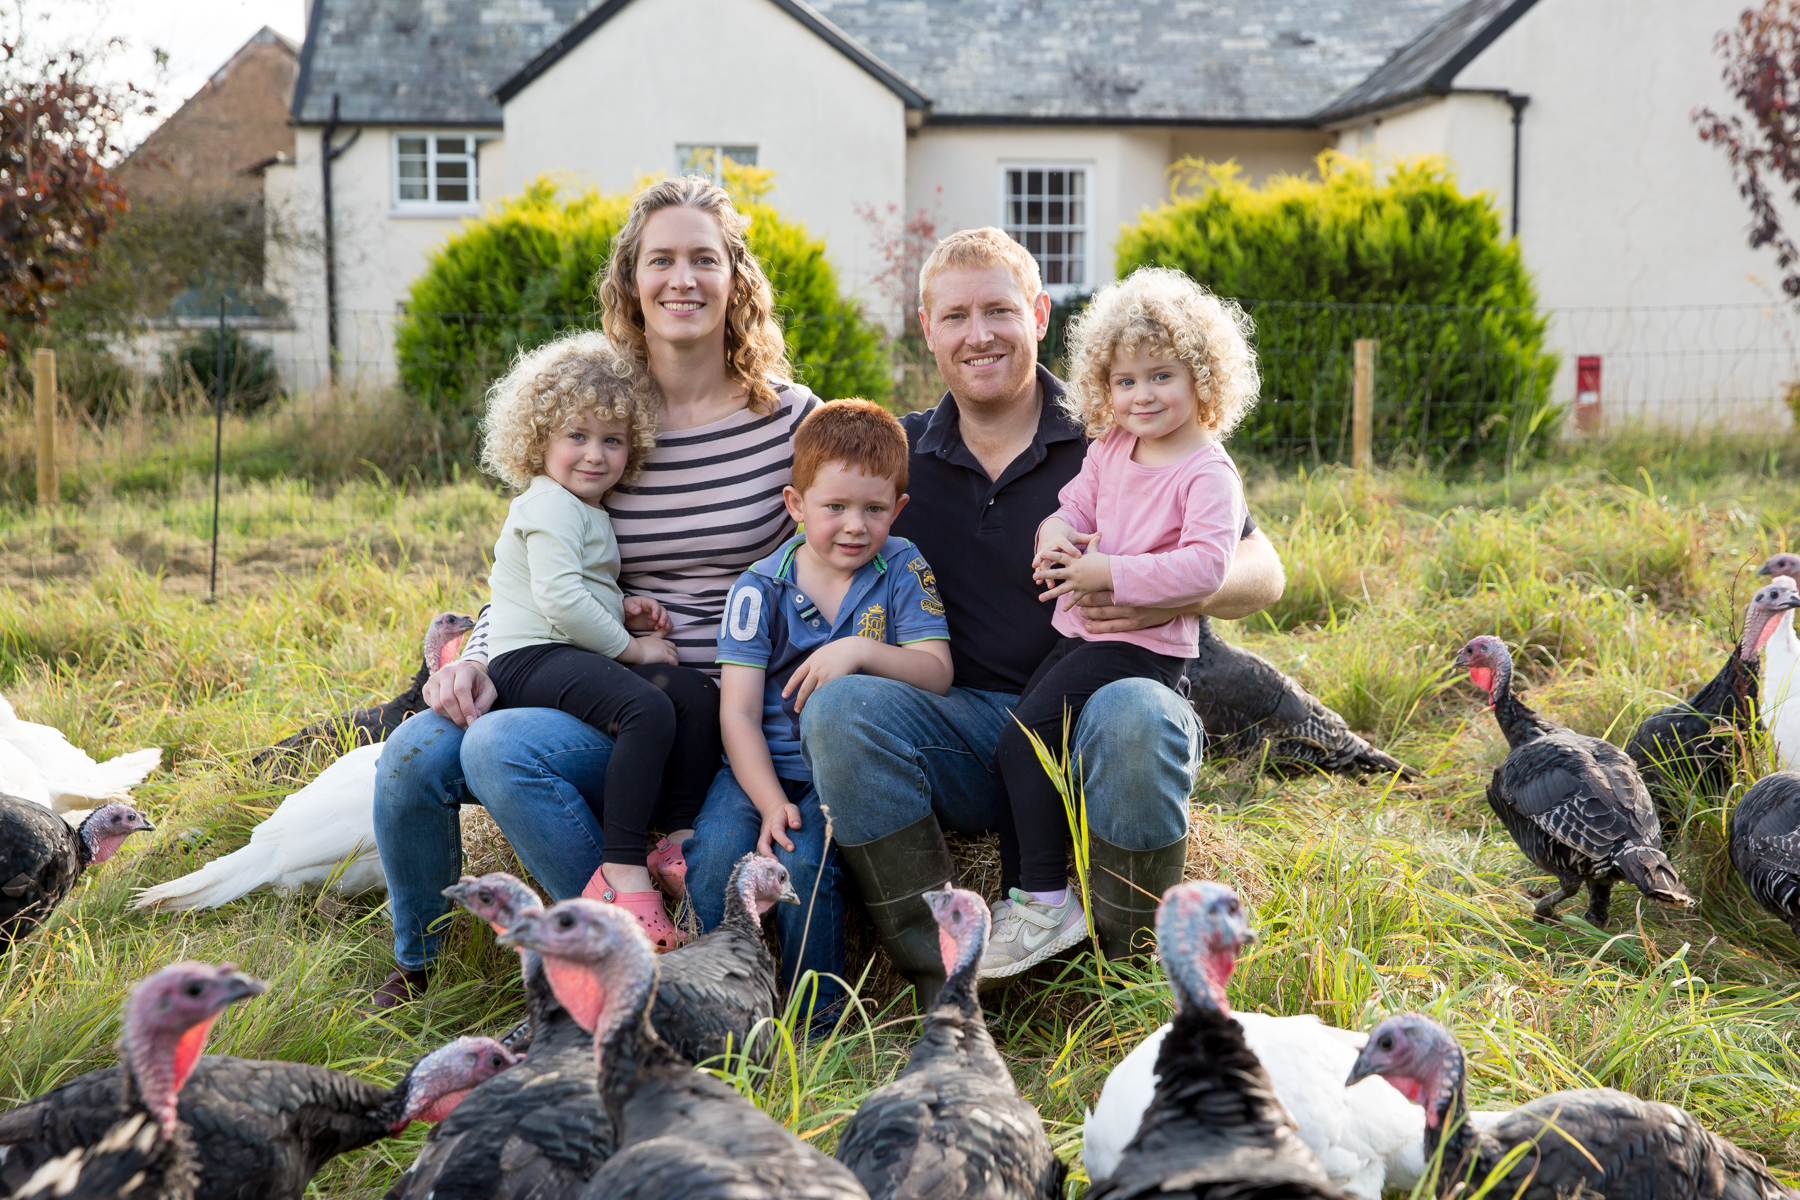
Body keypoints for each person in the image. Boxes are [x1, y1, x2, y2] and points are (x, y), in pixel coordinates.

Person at [796, 229, 1286, 1004]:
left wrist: (1147, 588)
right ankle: (952, 984)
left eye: (998, 310)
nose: (978, 334)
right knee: (840, 710)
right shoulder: (900, 453)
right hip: (963, 727)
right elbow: (811, 537)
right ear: (927, 329)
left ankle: (1130, 991)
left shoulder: (1122, 423)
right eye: (955, 316)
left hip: (1106, 716)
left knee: (1138, 715)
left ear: (1039, 314)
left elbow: (1264, 572)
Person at [367, 175, 818, 1008]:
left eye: (704, 259)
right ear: (630, 281)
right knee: (418, 754)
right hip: (601, 689)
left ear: (737, 279)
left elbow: (835, 554)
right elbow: (534, 564)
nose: (682, 279)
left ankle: (656, 967)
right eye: (660, 260)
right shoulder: (603, 414)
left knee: (714, 873)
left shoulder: (788, 421)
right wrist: (479, 654)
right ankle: (436, 963)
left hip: (723, 711)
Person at [984, 268, 1255, 978]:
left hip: (1144, 649)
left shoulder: (1208, 472)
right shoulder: (1110, 449)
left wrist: (1110, 571)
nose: (1143, 396)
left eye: (1162, 376)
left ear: (1202, 378)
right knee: (1016, 745)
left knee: (1026, 743)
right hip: (1085, 634)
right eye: (1126, 381)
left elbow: (1206, 567)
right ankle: (1027, 897)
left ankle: (1047, 900)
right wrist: (1053, 533)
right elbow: (1074, 506)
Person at [700, 399, 953, 1021]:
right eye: (834, 507)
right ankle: (717, 1006)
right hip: (760, 767)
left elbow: (937, 674)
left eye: (874, 510)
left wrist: (861, 651)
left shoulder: (901, 567)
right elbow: (737, 715)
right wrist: (768, 802)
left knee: (808, 861)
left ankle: (817, 1020)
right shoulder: (759, 589)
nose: (854, 526)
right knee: (713, 858)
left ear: (898, 509)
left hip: (841, 772)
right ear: (796, 505)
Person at [477, 333, 720, 952]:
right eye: (577, 436)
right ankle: (622, 872)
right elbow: (559, 602)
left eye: (612, 440)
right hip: (527, 660)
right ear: (538, 441)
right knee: (647, 707)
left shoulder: (584, 509)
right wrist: (633, 649)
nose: (595, 454)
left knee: (694, 692)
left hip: (561, 650)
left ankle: (678, 838)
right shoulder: (551, 504)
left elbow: (577, 588)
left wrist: (622, 608)